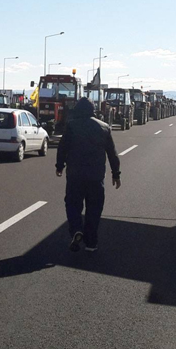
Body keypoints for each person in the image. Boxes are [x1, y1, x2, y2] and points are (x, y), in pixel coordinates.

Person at [55, 98, 121, 253]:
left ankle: (76, 229)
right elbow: (112, 153)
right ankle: (91, 242)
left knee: (72, 204)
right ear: (93, 110)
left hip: (75, 175)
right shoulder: (104, 127)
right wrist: (116, 174)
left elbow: (62, 147)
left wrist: (60, 165)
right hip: (96, 177)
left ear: (77, 110)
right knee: (94, 208)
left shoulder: (71, 126)